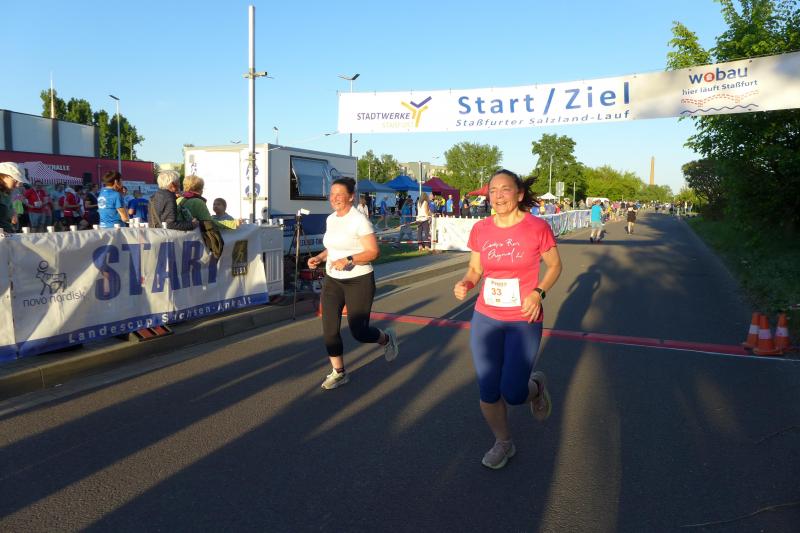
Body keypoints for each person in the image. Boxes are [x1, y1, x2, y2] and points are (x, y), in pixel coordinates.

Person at [453, 169, 562, 469]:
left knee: (514, 393)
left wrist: (538, 293)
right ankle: (503, 442)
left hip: (523, 319)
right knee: (488, 389)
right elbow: (475, 269)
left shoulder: (537, 227)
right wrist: (466, 283)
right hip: (486, 318)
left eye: (505, 189)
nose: (498, 196)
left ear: (519, 193)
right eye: (493, 190)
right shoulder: (481, 229)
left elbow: (555, 266)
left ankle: (536, 387)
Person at [307, 176, 399, 390]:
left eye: (340, 194)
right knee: (329, 329)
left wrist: (349, 260)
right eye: (332, 194)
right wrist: (320, 257)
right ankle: (339, 372)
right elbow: (334, 246)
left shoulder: (359, 220)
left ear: (351, 197)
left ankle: (386, 339)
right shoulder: (331, 219)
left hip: (359, 280)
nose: (335, 198)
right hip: (333, 280)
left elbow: (373, 252)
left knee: (359, 332)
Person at [0, 162, 29, 234]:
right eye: (15, 181)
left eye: (19, 182)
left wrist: (13, 212)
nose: (17, 185)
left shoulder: (7, 193)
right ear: (4, 176)